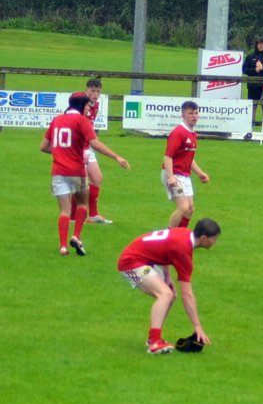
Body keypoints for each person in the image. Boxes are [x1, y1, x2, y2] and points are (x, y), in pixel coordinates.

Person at [41, 91, 130, 256]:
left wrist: (61, 152)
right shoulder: (82, 121)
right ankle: (76, 236)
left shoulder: (57, 120)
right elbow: (94, 143)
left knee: (64, 210)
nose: (89, 108)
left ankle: (63, 247)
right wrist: (116, 156)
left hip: (58, 171)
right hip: (77, 170)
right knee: (82, 204)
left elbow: (43, 146)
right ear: (82, 105)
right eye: (88, 105)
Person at [115, 218, 221, 355]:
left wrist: (167, 276)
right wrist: (197, 326)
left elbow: (165, 248)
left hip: (141, 260)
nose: (215, 242)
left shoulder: (184, 233)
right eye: (214, 239)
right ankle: (154, 343)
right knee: (165, 294)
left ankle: (153, 338)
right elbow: (187, 294)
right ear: (204, 238)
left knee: (170, 294)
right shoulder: (183, 251)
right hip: (129, 264)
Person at [162, 100, 209, 229]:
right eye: (190, 113)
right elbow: (168, 156)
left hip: (184, 176)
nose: (194, 116)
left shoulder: (192, 133)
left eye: (196, 113)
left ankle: (180, 234)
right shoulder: (178, 132)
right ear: (182, 115)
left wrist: (200, 173)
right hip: (174, 176)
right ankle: (169, 235)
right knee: (183, 207)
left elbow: (188, 158)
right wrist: (171, 177)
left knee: (190, 209)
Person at [81, 78, 113, 224]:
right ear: (86, 90)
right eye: (92, 91)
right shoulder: (82, 105)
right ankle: (75, 216)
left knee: (97, 178)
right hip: (78, 148)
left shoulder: (95, 105)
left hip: (88, 146)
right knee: (81, 184)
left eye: (98, 91)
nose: (95, 94)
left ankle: (93, 215)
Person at [242, 38, 263, 103]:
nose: (261, 46)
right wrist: (255, 70)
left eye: (262, 44)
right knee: (252, 106)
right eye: (259, 44)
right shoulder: (250, 57)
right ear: (256, 45)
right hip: (252, 87)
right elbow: (244, 69)